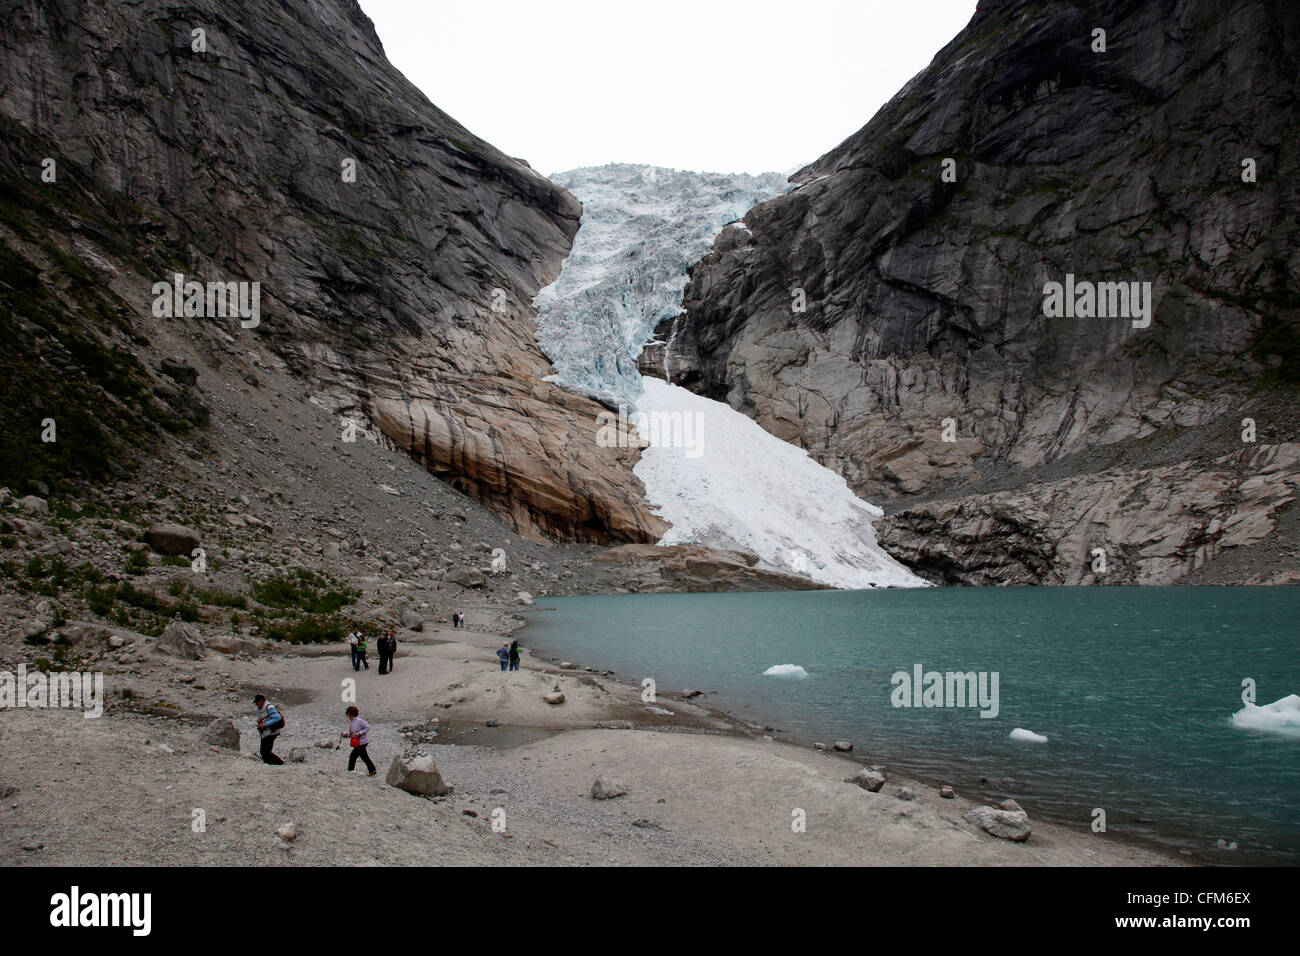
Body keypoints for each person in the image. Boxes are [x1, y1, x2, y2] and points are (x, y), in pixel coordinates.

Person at [342, 705, 376, 775]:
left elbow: (367, 728)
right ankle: (372, 770)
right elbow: (353, 733)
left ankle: (350, 770)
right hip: (358, 743)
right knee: (362, 756)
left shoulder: (359, 721)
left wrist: (360, 733)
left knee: (354, 756)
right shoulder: (352, 722)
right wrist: (346, 734)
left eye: (348, 714)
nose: (348, 716)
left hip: (362, 742)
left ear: (350, 714)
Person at [253, 694, 285, 765]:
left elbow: (277, 717)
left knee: (265, 751)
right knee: (264, 751)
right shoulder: (261, 709)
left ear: (261, 701)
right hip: (266, 732)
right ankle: (269, 763)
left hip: (272, 732)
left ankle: (279, 763)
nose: (256, 704)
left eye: (257, 702)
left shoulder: (269, 708)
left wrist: (265, 724)